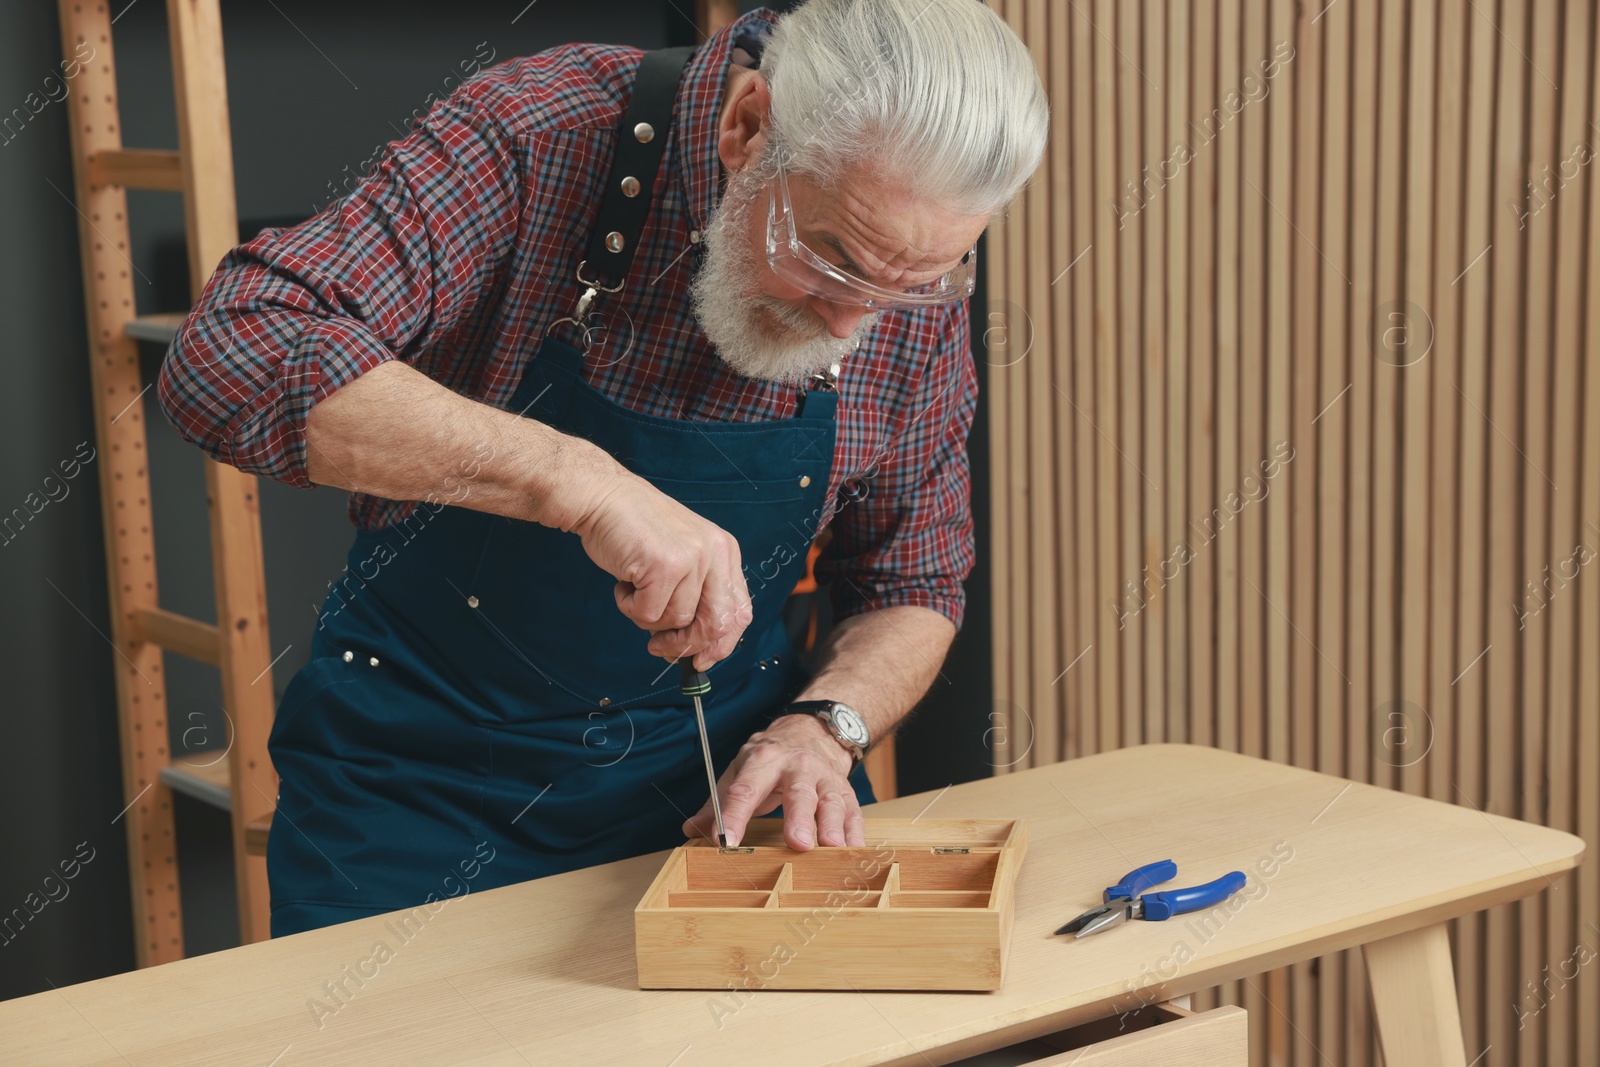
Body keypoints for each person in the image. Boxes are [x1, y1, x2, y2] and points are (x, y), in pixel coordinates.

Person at [158, 0, 1048, 936]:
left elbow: (913, 581)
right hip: (415, 786)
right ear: (750, 125)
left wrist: (826, 725)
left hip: (724, 791)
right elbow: (231, 355)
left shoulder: (896, 271)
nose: (849, 325)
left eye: (908, 288)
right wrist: (574, 480)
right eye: (829, 262)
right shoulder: (540, 134)